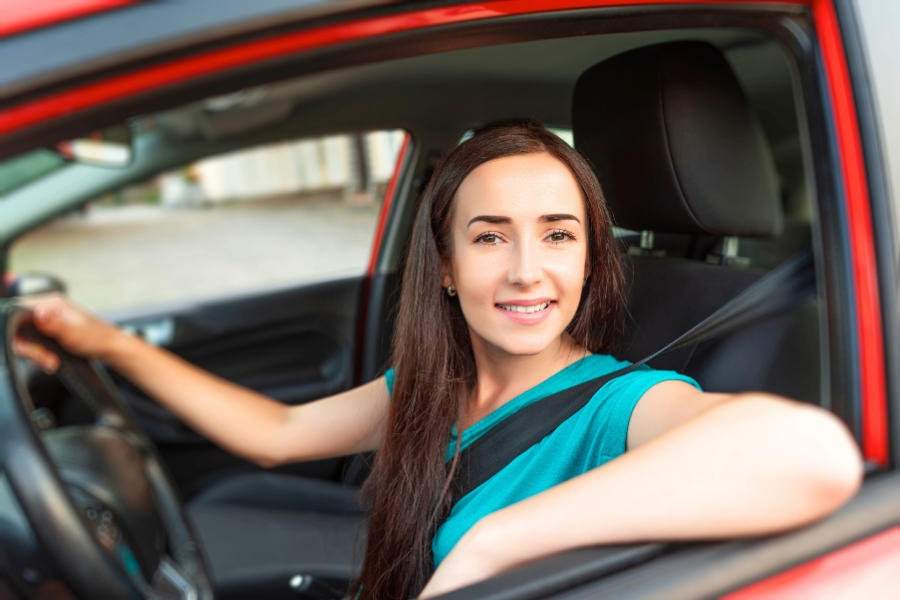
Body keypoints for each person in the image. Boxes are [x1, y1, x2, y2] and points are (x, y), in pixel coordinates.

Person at [15, 123, 862, 600]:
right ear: (447, 268)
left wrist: (499, 540)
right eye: (491, 236)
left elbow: (810, 454)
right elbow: (276, 433)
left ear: (591, 261)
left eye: (558, 236)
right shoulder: (430, 385)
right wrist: (106, 343)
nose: (528, 269)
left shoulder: (621, 405)